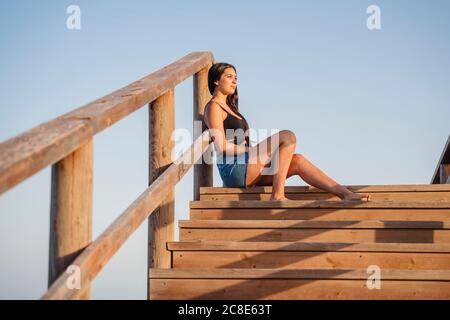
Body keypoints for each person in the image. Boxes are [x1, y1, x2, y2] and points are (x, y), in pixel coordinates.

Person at [203, 62, 371, 202]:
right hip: (234, 169)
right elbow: (221, 146)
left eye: (236, 78)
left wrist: (257, 152)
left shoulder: (231, 108)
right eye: (229, 77)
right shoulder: (213, 107)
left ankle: (345, 194)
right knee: (287, 136)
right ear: (216, 81)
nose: (234, 82)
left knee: (298, 160)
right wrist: (253, 151)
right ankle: (277, 195)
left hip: (248, 167)